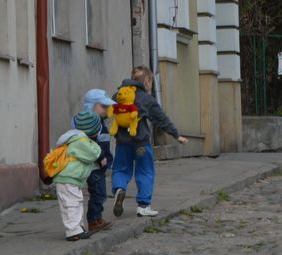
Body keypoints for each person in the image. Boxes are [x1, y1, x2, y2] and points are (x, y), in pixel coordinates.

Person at [111, 66, 188, 218]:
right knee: (145, 171)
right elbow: (161, 119)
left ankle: (119, 189)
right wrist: (176, 135)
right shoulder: (146, 99)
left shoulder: (117, 95)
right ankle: (143, 206)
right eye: (151, 83)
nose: (151, 86)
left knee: (120, 169)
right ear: (147, 81)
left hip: (122, 143)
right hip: (141, 144)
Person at [53, 111, 103, 241]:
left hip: (70, 179)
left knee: (75, 203)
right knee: (72, 204)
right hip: (68, 178)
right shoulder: (80, 141)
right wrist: (97, 146)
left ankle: (78, 228)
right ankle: (73, 231)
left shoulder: (76, 139)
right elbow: (93, 154)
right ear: (94, 130)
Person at [81, 89, 116, 235]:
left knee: (99, 193)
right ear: (91, 106)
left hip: (99, 166)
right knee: (98, 194)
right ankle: (94, 220)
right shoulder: (91, 125)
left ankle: (97, 218)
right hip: (94, 166)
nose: (106, 109)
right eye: (103, 106)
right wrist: (102, 157)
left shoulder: (100, 122)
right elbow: (92, 145)